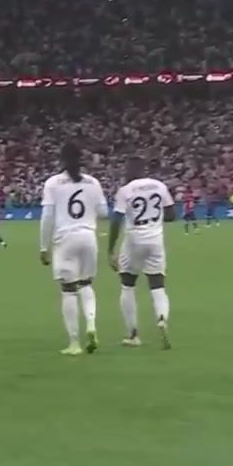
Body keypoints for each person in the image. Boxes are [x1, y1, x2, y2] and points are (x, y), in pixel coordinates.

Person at [39, 142, 108, 356]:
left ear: (61, 160)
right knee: (86, 284)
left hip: (65, 239)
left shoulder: (53, 183)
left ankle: (74, 343)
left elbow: (47, 216)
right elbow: (104, 212)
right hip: (88, 237)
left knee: (68, 290)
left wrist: (43, 246)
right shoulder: (93, 182)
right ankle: (91, 325)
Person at [108, 157, 176, 349]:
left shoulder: (126, 190)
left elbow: (116, 220)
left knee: (128, 285)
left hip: (134, 240)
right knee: (158, 285)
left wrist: (111, 249)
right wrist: (155, 219)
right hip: (155, 239)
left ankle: (133, 335)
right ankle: (162, 319)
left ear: (129, 171)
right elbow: (171, 215)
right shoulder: (159, 186)